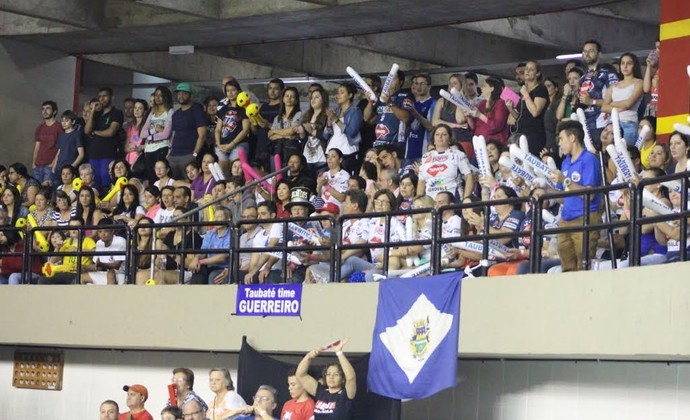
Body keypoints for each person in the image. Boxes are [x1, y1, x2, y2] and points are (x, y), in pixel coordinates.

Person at [548, 120, 602, 272]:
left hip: (585, 218)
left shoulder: (589, 159)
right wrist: (544, 190)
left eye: (562, 139)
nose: (559, 143)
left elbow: (589, 195)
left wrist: (565, 180)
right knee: (567, 267)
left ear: (572, 138)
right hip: (565, 220)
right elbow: (562, 196)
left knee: (583, 266)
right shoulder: (565, 163)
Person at [296, 339, 356, 419]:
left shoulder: (345, 394)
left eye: (336, 374)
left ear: (342, 379)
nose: (331, 377)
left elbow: (351, 377)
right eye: (329, 374)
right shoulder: (321, 391)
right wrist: (309, 357)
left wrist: (339, 353)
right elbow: (300, 375)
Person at [417, 124, 474, 200]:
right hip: (430, 202)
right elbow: (421, 181)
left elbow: (469, 176)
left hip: (452, 200)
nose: (440, 137)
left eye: (444, 134)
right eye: (437, 134)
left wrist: (466, 198)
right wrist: (419, 201)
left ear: (450, 139)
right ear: (433, 140)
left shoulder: (458, 154)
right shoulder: (425, 157)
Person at [84, 87, 125, 192]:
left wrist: (95, 132)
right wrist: (92, 111)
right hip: (94, 153)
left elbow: (110, 132)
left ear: (112, 98)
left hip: (108, 153)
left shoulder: (116, 113)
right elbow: (87, 130)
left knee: (107, 181)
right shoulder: (97, 114)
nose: (102, 99)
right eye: (100, 96)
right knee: (94, 183)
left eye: (105, 96)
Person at [578, 40, 619, 142]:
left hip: (601, 124)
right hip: (584, 125)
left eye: (591, 51)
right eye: (585, 51)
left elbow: (616, 99)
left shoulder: (608, 73)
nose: (587, 54)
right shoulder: (582, 78)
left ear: (599, 54)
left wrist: (592, 101)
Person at [37, 216, 96, 284]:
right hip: (64, 272)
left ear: (82, 228)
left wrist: (78, 250)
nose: (73, 229)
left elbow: (95, 253)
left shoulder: (88, 241)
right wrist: (57, 248)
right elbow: (53, 261)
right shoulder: (66, 242)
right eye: (71, 227)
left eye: (76, 227)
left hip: (79, 273)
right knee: (42, 280)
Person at [600, 53, 644, 145]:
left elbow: (628, 104)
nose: (625, 66)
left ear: (634, 66)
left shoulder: (639, 82)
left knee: (628, 155)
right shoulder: (613, 86)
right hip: (612, 123)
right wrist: (620, 106)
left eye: (629, 63)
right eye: (622, 63)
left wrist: (612, 104)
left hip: (629, 124)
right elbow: (603, 107)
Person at [507, 60, 549, 155]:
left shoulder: (540, 89)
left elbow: (535, 112)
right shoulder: (524, 91)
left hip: (534, 134)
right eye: (526, 69)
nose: (527, 71)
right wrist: (510, 109)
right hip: (521, 133)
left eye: (531, 69)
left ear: (537, 73)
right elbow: (521, 116)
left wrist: (526, 95)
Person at [169, 83, 207, 179]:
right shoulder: (176, 114)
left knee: (190, 185)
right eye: (179, 93)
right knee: (174, 185)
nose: (181, 96)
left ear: (191, 95)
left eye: (184, 93)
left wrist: (194, 154)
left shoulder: (197, 110)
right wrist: (169, 154)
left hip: (189, 154)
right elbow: (173, 135)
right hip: (173, 156)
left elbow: (202, 135)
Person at [324, 83, 362, 174]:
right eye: (337, 93)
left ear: (350, 95)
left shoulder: (355, 111)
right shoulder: (336, 111)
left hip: (346, 151)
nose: (338, 95)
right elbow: (325, 135)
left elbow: (352, 132)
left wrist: (335, 120)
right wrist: (329, 123)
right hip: (331, 150)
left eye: (342, 92)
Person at [188, 206, 232, 284]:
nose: (216, 219)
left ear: (228, 219)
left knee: (213, 276)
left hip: (223, 268)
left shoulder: (231, 235)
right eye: (215, 217)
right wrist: (196, 258)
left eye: (219, 217)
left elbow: (222, 257)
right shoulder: (210, 233)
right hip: (207, 266)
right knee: (197, 271)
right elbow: (203, 251)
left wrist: (201, 262)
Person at [431, 74, 473, 156]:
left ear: (462, 85)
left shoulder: (468, 101)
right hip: (445, 141)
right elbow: (435, 121)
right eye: (450, 83)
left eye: (455, 83)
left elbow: (460, 119)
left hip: (461, 139)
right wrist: (455, 125)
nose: (451, 85)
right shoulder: (441, 100)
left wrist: (459, 98)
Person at [141, 86, 175, 184]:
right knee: (151, 178)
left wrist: (150, 135)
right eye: (156, 95)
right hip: (148, 149)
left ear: (166, 97)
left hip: (161, 147)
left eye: (161, 95)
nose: (158, 97)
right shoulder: (152, 113)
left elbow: (166, 134)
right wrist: (154, 130)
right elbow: (142, 134)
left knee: (161, 176)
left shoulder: (169, 112)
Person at [215, 80, 251, 171]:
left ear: (239, 91)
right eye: (228, 90)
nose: (230, 93)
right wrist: (218, 144)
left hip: (239, 144)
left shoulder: (244, 108)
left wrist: (232, 144)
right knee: (222, 171)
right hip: (222, 145)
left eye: (233, 90)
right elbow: (218, 129)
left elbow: (245, 130)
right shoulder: (223, 109)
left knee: (236, 169)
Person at [80, 218, 127, 285]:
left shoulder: (120, 241)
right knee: (82, 276)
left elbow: (117, 265)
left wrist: (101, 264)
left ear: (112, 231)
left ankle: (110, 295)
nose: (103, 234)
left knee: (111, 273)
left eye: (106, 231)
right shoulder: (99, 243)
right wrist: (83, 267)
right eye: (100, 232)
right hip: (105, 273)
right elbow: (97, 267)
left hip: (122, 275)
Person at [252, 78, 284, 170]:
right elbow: (255, 131)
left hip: (276, 146)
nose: (272, 91)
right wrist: (254, 123)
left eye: (276, 89)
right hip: (261, 145)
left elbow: (286, 128)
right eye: (270, 88)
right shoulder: (263, 107)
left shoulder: (283, 107)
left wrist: (269, 125)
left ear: (281, 91)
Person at [404, 73, 435, 164]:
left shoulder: (433, 103)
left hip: (424, 151)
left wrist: (414, 112)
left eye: (422, 84)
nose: (418, 86)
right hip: (409, 150)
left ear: (429, 86)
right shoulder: (412, 103)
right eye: (417, 83)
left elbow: (431, 126)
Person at [269, 86, 303, 166]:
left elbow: (292, 132)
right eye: (287, 96)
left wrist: (275, 132)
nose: (289, 98)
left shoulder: (299, 114)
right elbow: (270, 135)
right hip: (277, 150)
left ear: (296, 100)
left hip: (291, 151)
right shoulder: (277, 118)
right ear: (283, 99)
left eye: (292, 96)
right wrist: (285, 134)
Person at [300, 87, 329, 178]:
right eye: (312, 97)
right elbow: (303, 138)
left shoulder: (326, 116)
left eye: (317, 97)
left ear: (323, 100)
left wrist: (312, 131)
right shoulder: (307, 115)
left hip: (321, 156)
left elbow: (327, 135)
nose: (313, 99)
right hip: (307, 155)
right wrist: (301, 133)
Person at [469, 76, 509, 144]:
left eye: (484, 86)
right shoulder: (482, 104)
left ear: (492, 88)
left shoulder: (500, 103)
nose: (481, 88)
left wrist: (480, 115)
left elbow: (496, 126)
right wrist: (469, 117)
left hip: (493, 144)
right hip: (479, 143)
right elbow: (474, 127)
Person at [33, 100, 62, 187]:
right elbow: (37, 147)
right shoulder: (40, 128)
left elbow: (61, 147)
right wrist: (34, 163)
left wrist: (53, 163)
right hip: (38, 166)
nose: (44, 111)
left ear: (54, 111)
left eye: (48, 108)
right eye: (43, 109)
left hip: (50, 165)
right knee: (38, 192)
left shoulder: (59, 127)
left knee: (48, 192)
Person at [53, 110, 84, 182]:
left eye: (66, 121)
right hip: (59, 168)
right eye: (62, 121)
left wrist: (72, 167)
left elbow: (81, 154)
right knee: (57, 190)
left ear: (73, 122)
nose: (63, 123)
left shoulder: (76, 134)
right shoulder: (61, 135)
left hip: (69, 169)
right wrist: (54, 165)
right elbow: (59, 152)